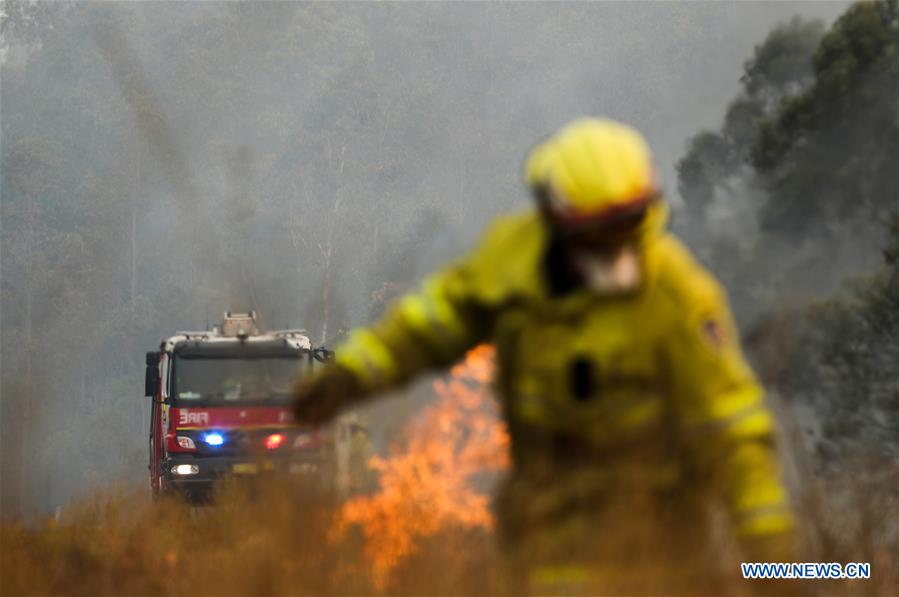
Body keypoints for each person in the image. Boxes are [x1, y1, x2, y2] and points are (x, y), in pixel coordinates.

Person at [292, 118, 795, 593]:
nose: (614, 253)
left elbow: (735, 434)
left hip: (652, 556)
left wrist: (774, 560)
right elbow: (431, 323)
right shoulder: (511, 261)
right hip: (538, 553)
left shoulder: (678, 298)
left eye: (625, 228)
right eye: (596, 235)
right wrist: (354, 373)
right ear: (556, 221)